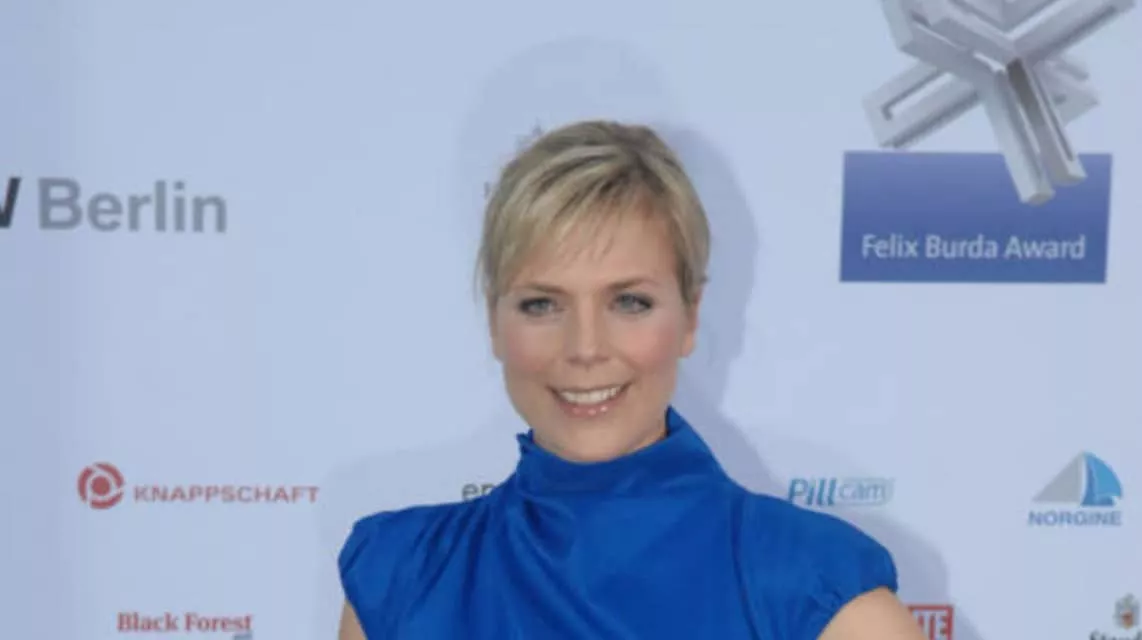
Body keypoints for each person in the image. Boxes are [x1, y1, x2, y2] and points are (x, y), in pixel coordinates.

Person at [336, 121, 926, 639]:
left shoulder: (814, 592)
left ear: (690, 316)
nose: (585, 348)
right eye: (542, 304)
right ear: (494, 321)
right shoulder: (401, 578)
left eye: (629, 302)